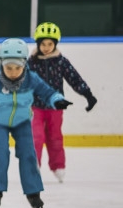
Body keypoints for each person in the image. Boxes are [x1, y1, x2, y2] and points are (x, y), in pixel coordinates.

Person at [0, 38, 70, 208]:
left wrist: (57, 100)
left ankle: (33, 192)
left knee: (28, 153)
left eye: (17, 68)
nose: (13, 72)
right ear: (1, 64)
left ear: (24, 65)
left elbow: (48, 92)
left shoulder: (31, 79)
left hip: (22, 122)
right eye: (8, 68)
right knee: (0, 152)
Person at [26, 22, 99, 182]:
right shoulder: (31, 63)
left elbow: (74, 78)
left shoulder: (60, 61)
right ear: (38, 44)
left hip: (55, 107)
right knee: (35, 137)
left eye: (50, 44)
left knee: (55, 137)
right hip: (35, 106)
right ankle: (33, 166)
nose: (46, 47)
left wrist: (87, 94)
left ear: (55, 44)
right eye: (43, 44)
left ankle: (58, 166)